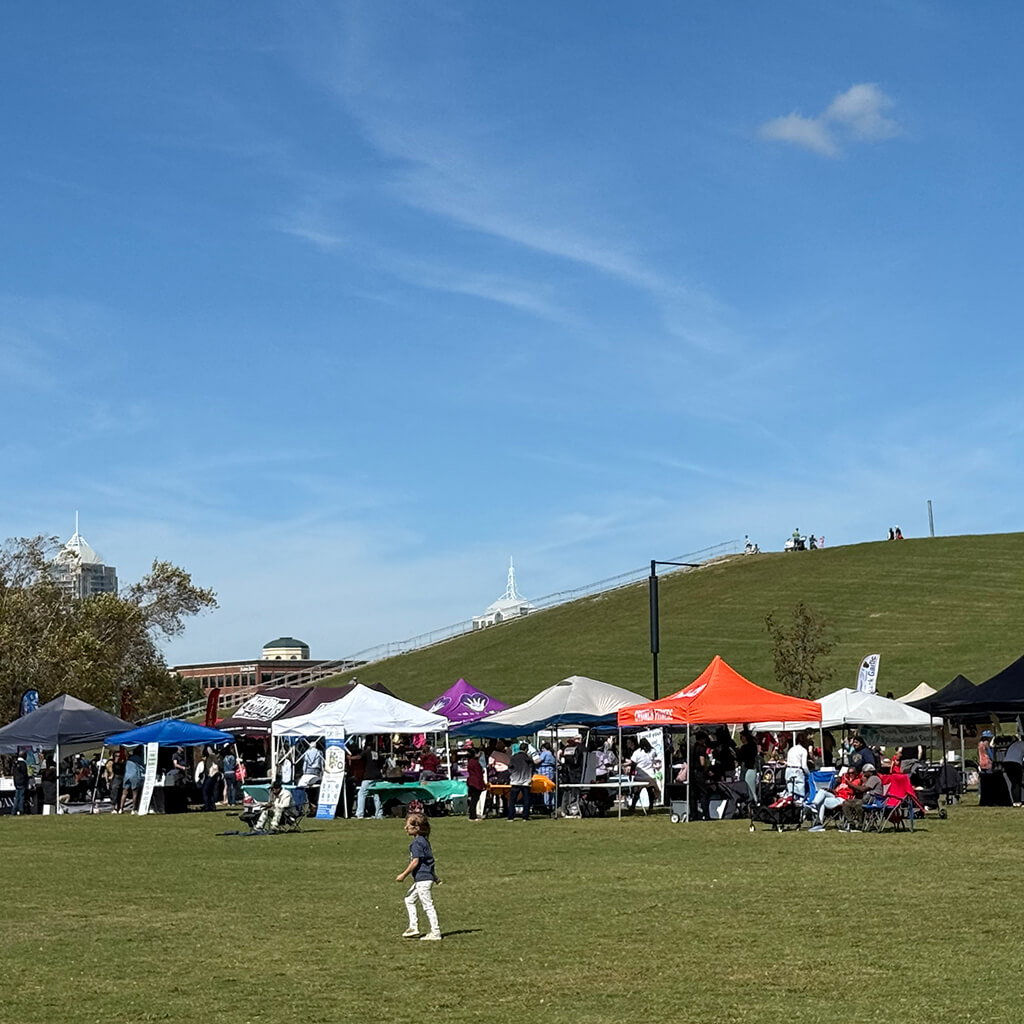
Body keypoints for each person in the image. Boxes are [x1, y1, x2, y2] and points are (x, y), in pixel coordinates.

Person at [397, 813, 441, 941]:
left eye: (408, 825)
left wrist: (403, 875)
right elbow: (429, 861)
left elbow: (415, 862)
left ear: (416, 828)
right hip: (424, 879)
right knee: (409, 899)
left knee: (428, 905)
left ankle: (435, 932)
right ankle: (413, 927)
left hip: (422, 880)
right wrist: (435, 877)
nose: (405, 828)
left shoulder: (416, 844)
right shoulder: (424, 842)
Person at [841, 763, 884, 828]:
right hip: (866, 799)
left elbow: (863, 789)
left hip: (874, 799)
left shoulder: (874, 778)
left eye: (864, 772)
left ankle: (861, 823)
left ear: (870, 772)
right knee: (846, 803)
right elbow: (860, 790)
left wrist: (850, 784)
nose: (863, 773)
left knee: (858, 804)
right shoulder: (868, 779)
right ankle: (851, 822)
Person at [507, 741, 537, 820]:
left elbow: (510, 767)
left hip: (515, 781)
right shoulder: (528, 758)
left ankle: (510, 816)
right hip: (526, 781)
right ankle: (525, 816)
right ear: (526, 749)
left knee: (512, 800)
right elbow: (532, 768)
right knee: (526, 800)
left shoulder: (513, 757)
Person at [629, 737, 661, 810]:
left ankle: (633, 806)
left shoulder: (637, 752)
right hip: (650, 776)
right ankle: (651, 806)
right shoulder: (652, 751)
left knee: (637, 792)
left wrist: (631, 774)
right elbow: (656, 759)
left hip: (640, 776)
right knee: (650, 791)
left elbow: (633, 764)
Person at [356, 741, 384, 820]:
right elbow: (382, 762)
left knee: (362, 793)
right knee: (377, 795)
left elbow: (359, 757)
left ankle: (360, 814)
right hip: (378, 776)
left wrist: (350, 758)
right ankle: (379, 814)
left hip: (369, 777)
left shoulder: (367, 752)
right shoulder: (377, 753)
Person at [120, 747, 145, 814]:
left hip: (127, 775)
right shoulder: (140, 759)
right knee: (135, 793)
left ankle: (121, 808)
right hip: (134, 775)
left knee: (124, 793)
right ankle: (134, 809)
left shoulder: (129, 759)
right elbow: (142, 768)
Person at [785, 732, 810, 800]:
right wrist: (809, 774)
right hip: (797, 770)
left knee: (790, 792)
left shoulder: (791, 749)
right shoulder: (803, 750)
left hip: (788, 770)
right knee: (800, 792)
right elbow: (804, 765)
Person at [465, 743, 486, 821]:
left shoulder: (470, 761)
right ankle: (473, 816)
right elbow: (479, 774)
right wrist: (483, 784)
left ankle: (472, 814)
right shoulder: (475, 762)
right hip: (476, 782)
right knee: (475, 800)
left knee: (473, 800)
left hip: (471, 781)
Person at [737, 729, 758, 802]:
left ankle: (754, 802)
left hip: (749, 768)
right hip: (746, 768)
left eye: (742, 737)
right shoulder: (747, 746)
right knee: (745, 787)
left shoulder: (749, 747)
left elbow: (743, 757)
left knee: (750, 787)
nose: (741, 739)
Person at [1003, 735, 1024, 806]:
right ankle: (1018, 801)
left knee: (1013, 783)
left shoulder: (1014, 744)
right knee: (1017, 783)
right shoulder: (1023, 744)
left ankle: (1015, 801)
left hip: (1006, 763)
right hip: (1016, 763)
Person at [536, 743, 557, 812]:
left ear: (544, 748)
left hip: (545, 772)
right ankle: (552, 804)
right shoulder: (552, 754)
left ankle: (546, 805)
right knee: (551, 789)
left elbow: (538, 760)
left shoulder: (545, 753)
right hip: (551, 772)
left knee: (545, 789)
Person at [201, 746, 221, 811]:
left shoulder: (212, 756)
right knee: (210, 791)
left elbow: (210, 751)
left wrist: (208, 748)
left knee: (205, 791)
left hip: (212, 775)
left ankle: (207, 806)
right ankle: (212, 806)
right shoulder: (212, 758)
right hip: (213, 775)